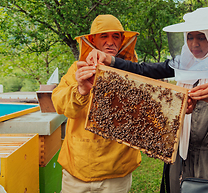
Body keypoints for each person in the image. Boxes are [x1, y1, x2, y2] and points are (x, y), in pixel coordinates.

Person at [87, 6, 208, 193]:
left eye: (201, 37)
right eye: (190, 37)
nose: (194, 44)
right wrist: (110, 60)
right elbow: (145, 70)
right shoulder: (183, 63)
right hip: (178, 157)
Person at [52, 14, 141, 193]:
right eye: (104, 36)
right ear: (93, 40)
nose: (110, 42)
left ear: (122, 40)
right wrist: (81, 90)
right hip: (77, 170)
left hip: (116, 172)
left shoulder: (133, 71)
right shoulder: (78, 69)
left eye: (115, 36)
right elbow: (59, 103)